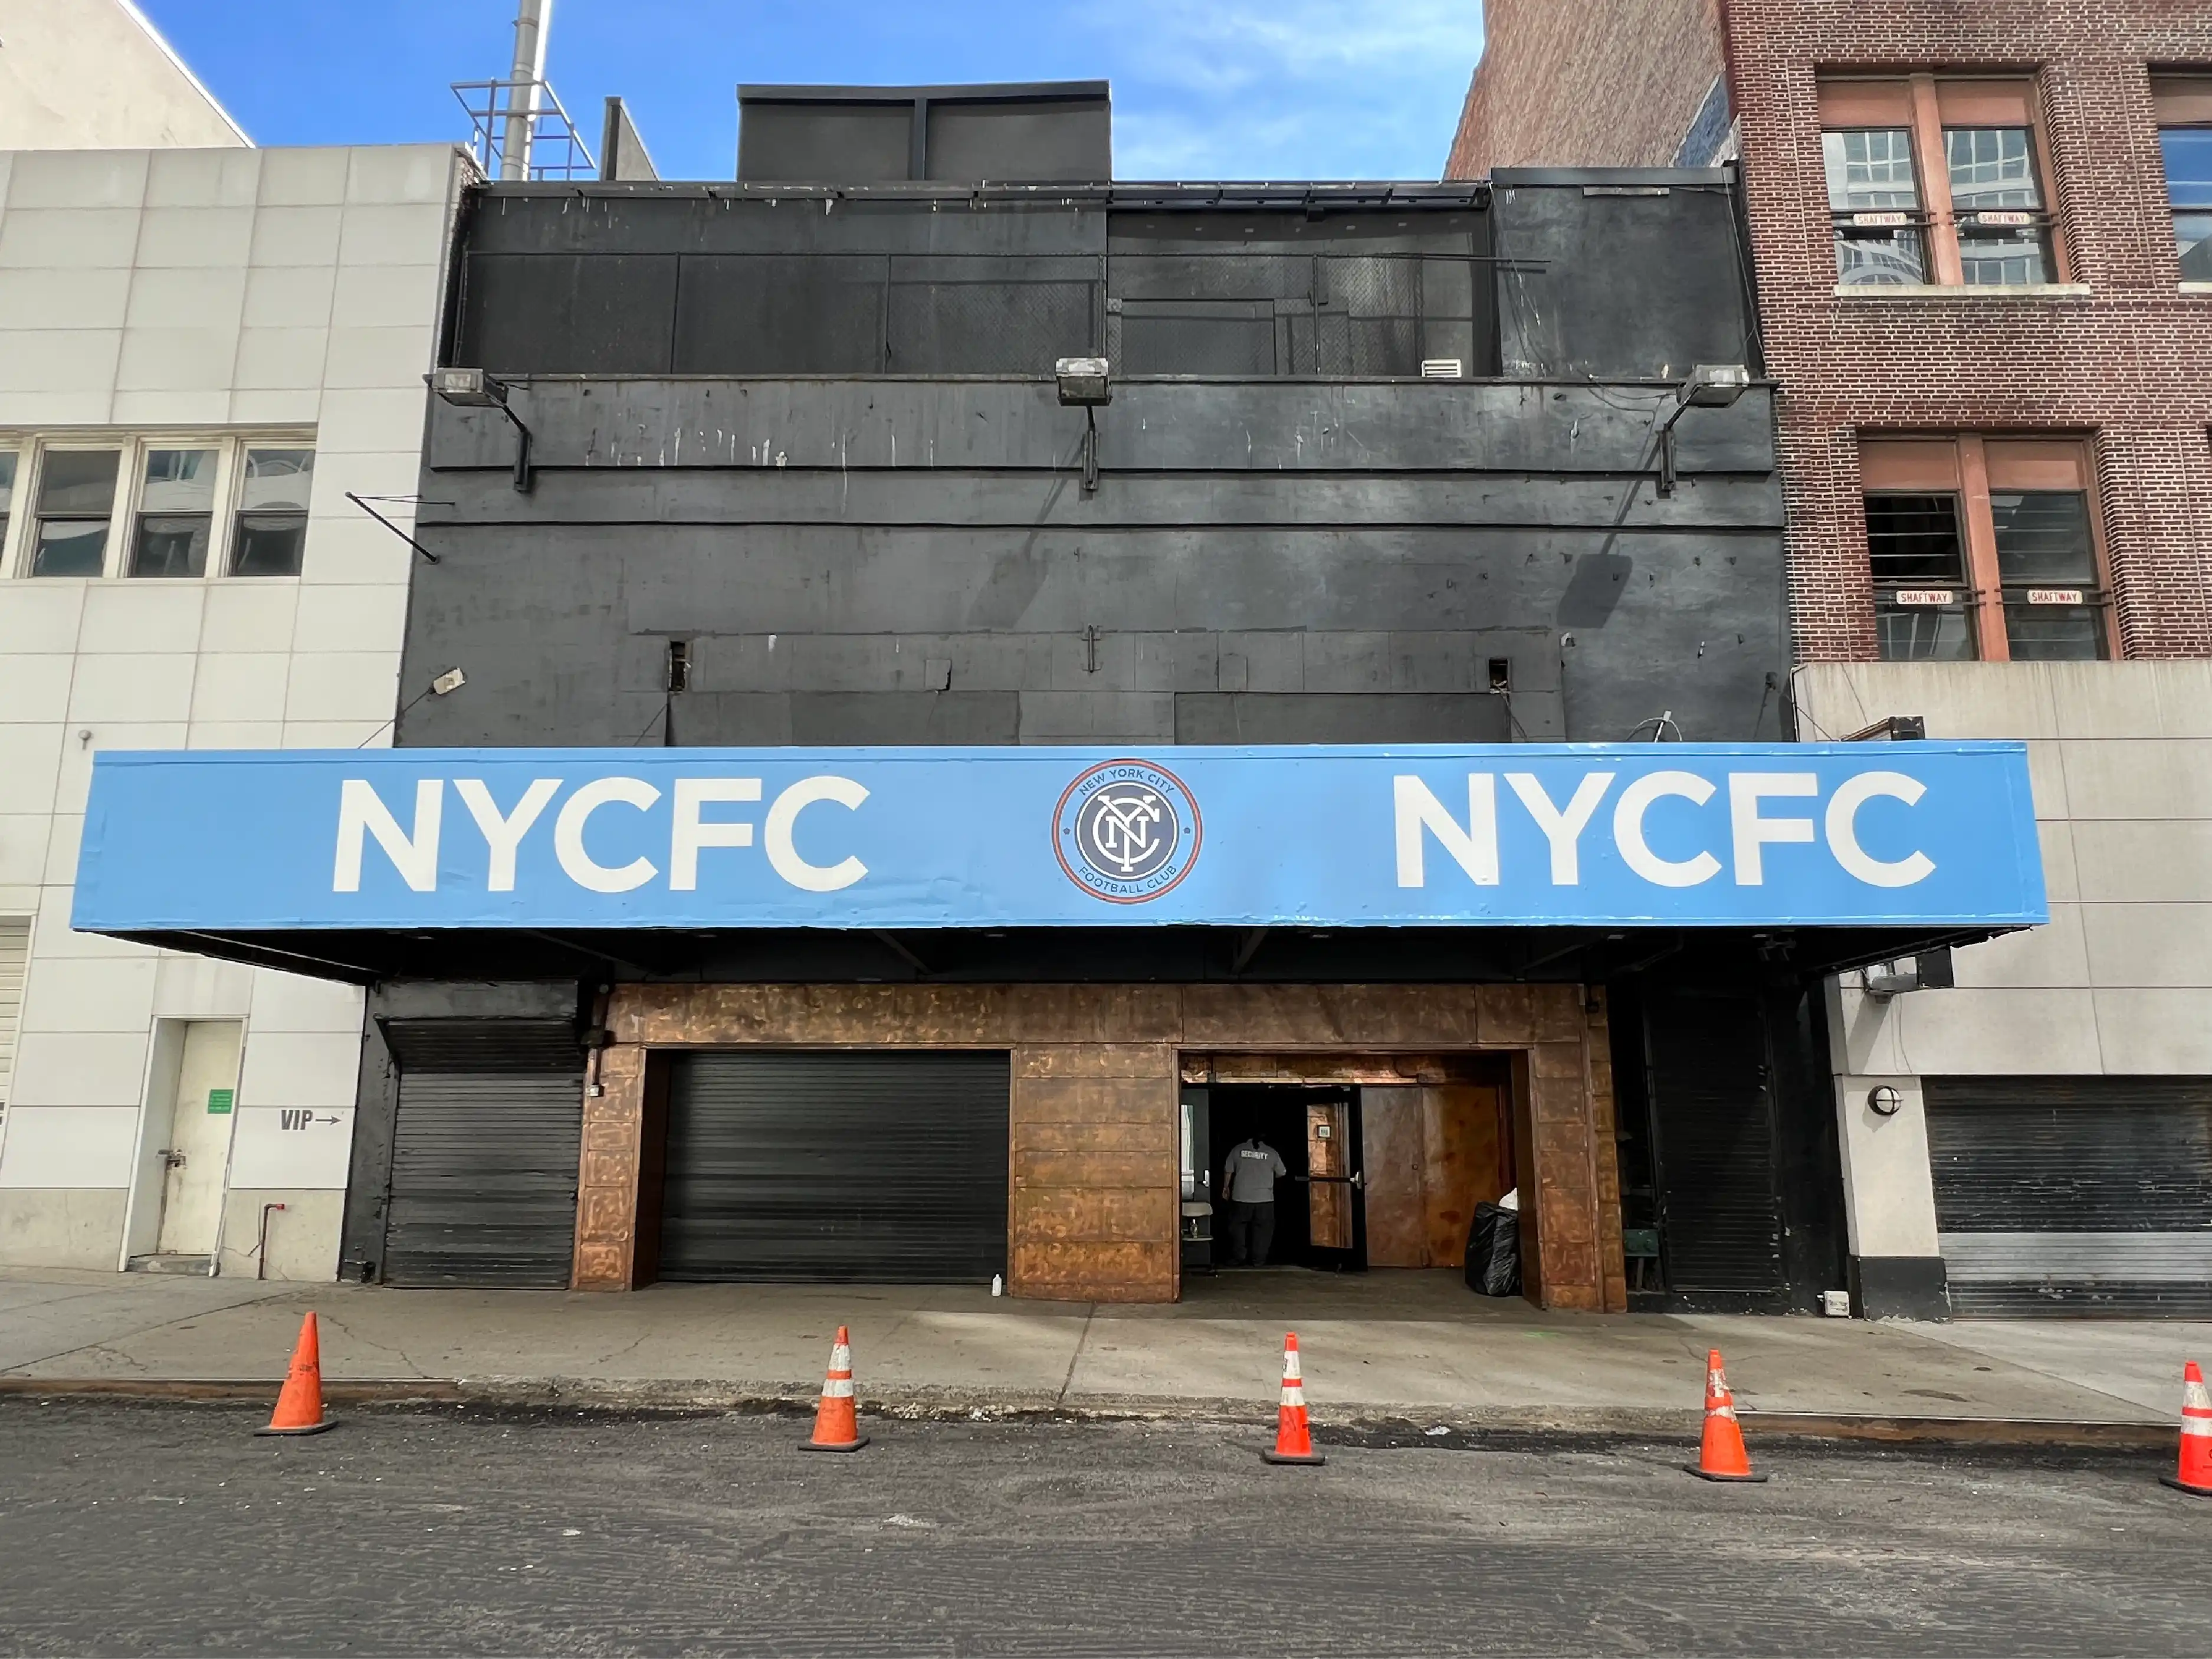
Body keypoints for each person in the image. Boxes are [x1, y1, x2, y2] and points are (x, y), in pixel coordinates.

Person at [1219, 1135, 1288, 1267]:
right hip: (1265, 1199)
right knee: (1263, 1231)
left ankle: (1239, 1257)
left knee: (1237, 1229)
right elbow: (1282, 1173)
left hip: (1241, 1197)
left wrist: (1226, 1187)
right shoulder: (1271, 1152)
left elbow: (1228, 1170)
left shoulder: (1237, 1150)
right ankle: (1258, 1260)